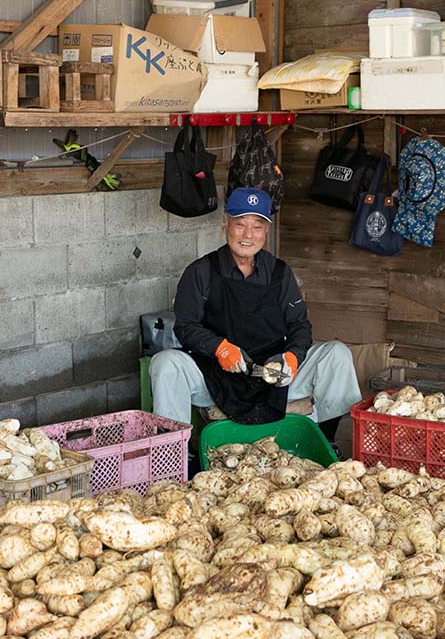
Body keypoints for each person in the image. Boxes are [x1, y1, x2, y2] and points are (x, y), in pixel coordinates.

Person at [151, 187, 362, 450]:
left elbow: (299, 325)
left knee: (336, 354)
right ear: (225, 225)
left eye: (257, 226)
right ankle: (173, 457)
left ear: (266, 231)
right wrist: (219, 347)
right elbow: (186, 327)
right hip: (218, 375)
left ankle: (324, 441)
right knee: (165, 363)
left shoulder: (280, 273)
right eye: (240, 224)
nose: (248, 235)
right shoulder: (200, 272)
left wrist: (293, 356)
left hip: (272, 375)